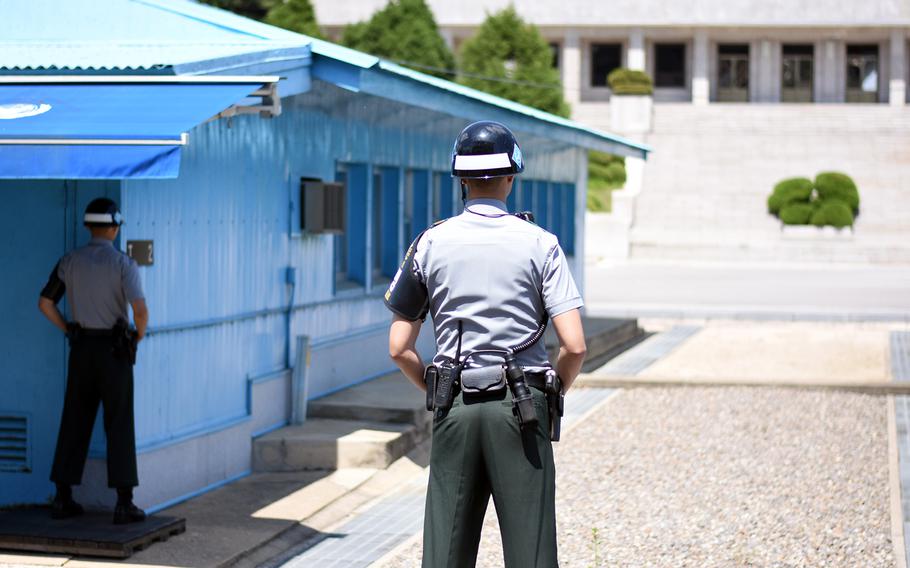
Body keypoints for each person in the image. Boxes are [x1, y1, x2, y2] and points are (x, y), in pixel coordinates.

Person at [385, 121, 587, 567]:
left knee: (446, 546)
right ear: (511, 175)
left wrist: (439, 392)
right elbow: (574, 345)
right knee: (531, 549)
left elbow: (400, 346)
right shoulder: (541, 244)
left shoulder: (430, 242)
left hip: (453, 399)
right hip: (524, 405)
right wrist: (551, 390)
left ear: (460, 180)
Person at [38, 197, 149, 524]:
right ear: (114, 227)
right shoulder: (123, 264)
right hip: (114, 351)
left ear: (89, 226)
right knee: (119, 422)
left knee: (74, 418)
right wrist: (136, 337)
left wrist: (68, 328)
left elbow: (45, 303)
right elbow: (140, 312)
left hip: (81, 347)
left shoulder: (69, 261)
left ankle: (62, 497)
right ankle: (123, 503)